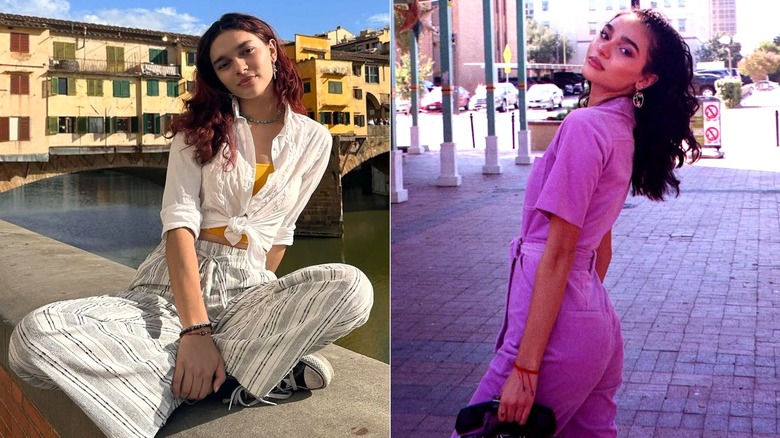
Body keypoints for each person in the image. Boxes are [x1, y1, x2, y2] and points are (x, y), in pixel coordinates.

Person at [9, 12, 373, 438]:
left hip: (250, 288)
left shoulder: (315, 140)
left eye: (246, 51)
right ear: (215, 77)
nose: (240, 67)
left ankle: (193, 373)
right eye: (223, 63)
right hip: (172, 287)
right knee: (33, 337)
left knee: (353, 287)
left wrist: (256, 302)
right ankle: (244, 365)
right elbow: (179, 226)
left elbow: (282, 233)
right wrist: (196, 330)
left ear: (272, 50)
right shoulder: (196, 132)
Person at [456, 8, 700, 437]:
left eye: (625, 49)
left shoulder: (585, 126)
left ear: (644, 79)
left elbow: (560, 249)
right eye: (605, 35)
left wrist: (526, 368)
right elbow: (600, 246)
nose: (604, 47)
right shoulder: (622, 129)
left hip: (554, 332)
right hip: (594, 323)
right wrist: (581, 308)